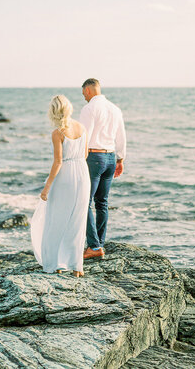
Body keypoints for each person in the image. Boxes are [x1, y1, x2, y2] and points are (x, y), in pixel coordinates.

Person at [31, 95, 90, 277]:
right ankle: (77, 267)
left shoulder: (58, 133)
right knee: (78, 221)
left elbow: (58, 162)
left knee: (56, 219)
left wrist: (46, 187)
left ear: (53, 112)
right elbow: (86, 154)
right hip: (83, 173)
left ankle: (55, 264)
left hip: (65, 176)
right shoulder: (82, 127)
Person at [79, 78, 126, 260]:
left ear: (89, 91)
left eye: (84, 94)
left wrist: (78, 159)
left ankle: (94, 246)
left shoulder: (89, 108)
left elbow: (85, 135)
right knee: (102, 203)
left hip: (94, 157)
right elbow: (121, 136)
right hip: (111, 157)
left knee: (85, 202)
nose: (84, 97)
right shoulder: (115, 109)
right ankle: (99, 243)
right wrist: (121, 159)